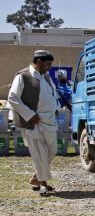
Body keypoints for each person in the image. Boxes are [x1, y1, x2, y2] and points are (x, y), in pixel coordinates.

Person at [7, 50, 59, 196]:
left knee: (52, 150)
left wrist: (55, 108)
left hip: (49, 121)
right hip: (33, 122)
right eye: (48, 64)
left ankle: (36, 178)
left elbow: (52, 95)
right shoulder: (22, 76)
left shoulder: (47, 76)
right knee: (40, 154)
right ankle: (43, 185)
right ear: (39, 62)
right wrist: (30, 115)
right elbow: (13, 98)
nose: (50, 67)